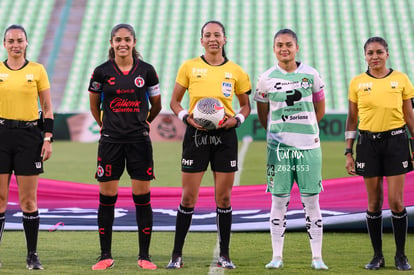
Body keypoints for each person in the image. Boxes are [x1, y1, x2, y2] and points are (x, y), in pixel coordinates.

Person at [167, 20, 251, 270]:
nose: (213, 39)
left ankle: (224, 255)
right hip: (196, 136)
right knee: (188, 197)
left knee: (223, 198)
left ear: (225, 39)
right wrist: (187, 118)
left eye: (217, 35)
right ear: (201, 40)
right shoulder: (189, 67)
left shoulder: (236, 71)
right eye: (208, 35)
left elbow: (246, 105)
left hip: (225, 137)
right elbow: (174, 102)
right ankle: (176, 255)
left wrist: (237, 120)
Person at [88, 23, 161, 270]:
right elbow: (94, 105)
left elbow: (157, 105)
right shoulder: (101, 72)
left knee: (142, 198)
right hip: (110, 142)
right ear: (111, 43)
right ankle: (105, 255)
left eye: (127, 39)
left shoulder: (148, 71)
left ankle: (145, 256)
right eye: (118, 39)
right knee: (107, 198)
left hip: (139, 141)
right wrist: (105, 125)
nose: (122, 44)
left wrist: (145, 122)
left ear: (134, 42)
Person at [254, 29, 328, 270]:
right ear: (274, 48)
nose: (284, 48)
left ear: (297, 47)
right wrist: (280, 134)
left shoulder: (311, 74)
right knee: (278, 201)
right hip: (279, 150)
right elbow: (263, 115)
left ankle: (317, 258)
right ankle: (277, 256)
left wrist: (304, 130)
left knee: (311, 202)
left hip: (309, 147)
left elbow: (320, 110)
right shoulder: (265, 78)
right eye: (279, 45)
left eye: (288, 44)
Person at [345, 36, 413, 271]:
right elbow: (352, 119)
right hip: (368, 145)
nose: (375, 56)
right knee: (374, 203)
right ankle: (377, 256)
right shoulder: (357, 83)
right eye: (370, 53)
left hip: (396, 143)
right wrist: (348, 152)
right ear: (365, 56)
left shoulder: (401, 79)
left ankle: (401, 256)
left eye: (379, 52)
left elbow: (409, 116)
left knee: (396, 202)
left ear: (387, 53)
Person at [0, 24, 54, 270]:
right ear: (4, 44)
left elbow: (48, 107)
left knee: (28, 201)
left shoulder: (37, 70)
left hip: (30, 136)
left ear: (26, 43)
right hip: (1, 135)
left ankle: (32, 255)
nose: (15, 45)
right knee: (0, 199)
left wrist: (47, 138)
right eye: (11, 41)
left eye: (19, 40)